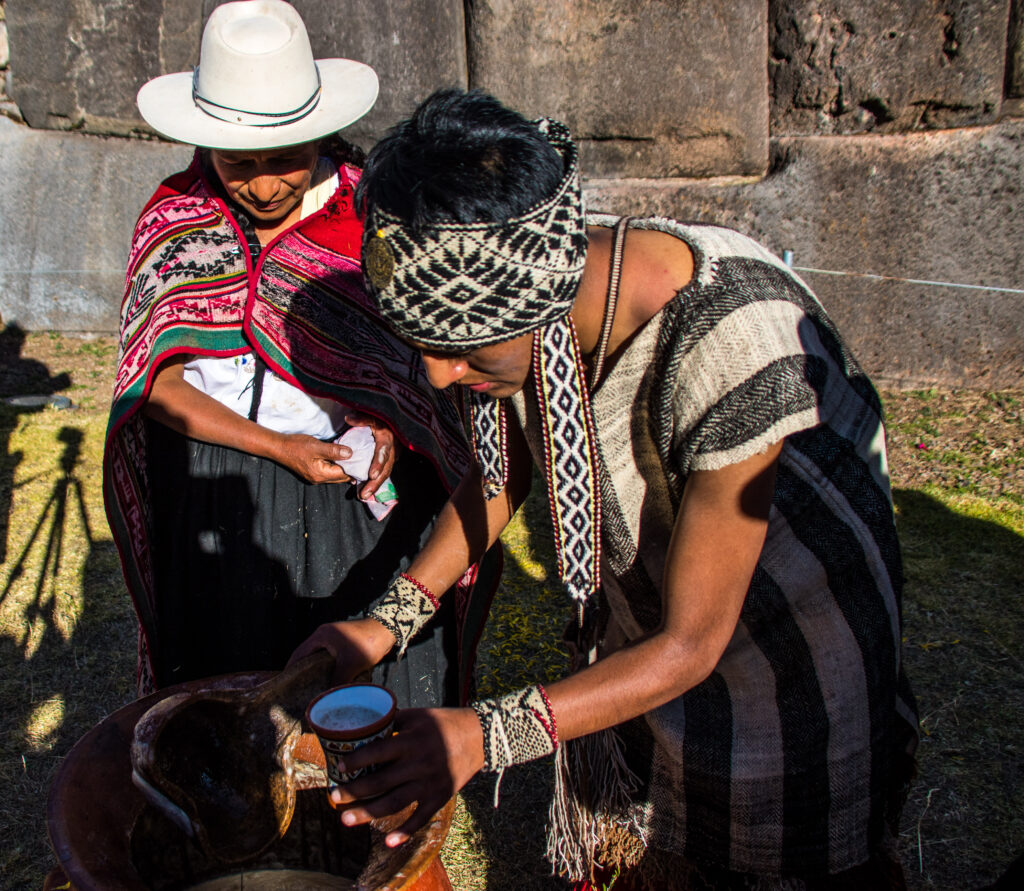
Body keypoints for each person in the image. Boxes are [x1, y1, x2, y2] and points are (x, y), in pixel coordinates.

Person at [291, 89, 920, 889]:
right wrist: (381, 626)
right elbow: (501, 471)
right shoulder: (524, 313)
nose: (439, 374)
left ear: (539, 310)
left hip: (791, 656)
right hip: (660, 635)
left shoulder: (733, 345)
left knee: (783, 858)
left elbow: (693, 641)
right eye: (426, 347)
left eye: (460, 352)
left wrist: (482, 735)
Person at [103, 3, 498, 706]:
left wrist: (384, 426)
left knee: (352, 674)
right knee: (228, 681)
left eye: (283, 159)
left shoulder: (371, 219)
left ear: (320, 133)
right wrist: (274, 446)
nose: (261, 185)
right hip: (214, 482)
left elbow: (422, 378)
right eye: (238, 163)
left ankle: (367, 803)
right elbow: (153, 384)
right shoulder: (175, 220)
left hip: (350, 492)